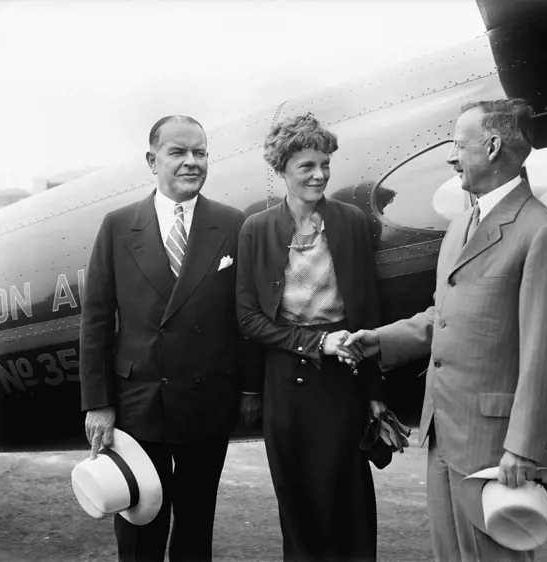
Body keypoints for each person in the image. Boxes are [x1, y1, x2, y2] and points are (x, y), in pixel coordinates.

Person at [345, 98, 547, 562]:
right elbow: (444, 314)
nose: (451, 156)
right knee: (450, 554)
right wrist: (381, 340)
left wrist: (524, 448)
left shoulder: (542, 231)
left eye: (458, 144)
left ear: (492, 146)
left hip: (496, 443)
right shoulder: (462, 225)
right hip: (444, 429)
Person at [80, 115, 263, 562]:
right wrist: (98, 402)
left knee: (197, 525)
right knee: (141, 524)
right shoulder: (118, 226)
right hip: (140, 401)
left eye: (200, 153)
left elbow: (244, 316)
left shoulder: (230, 222)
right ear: (152, 159)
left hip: (208, 400)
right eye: (178, 152)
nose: (191, 162)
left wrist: (249, 388)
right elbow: (97, 321)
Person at [236, 113, 386, 562]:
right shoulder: (256, 230)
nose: (319, 175)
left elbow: (370, 308)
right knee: (297, 503)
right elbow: (248, 319)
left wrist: (376, 391)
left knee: (350, 500)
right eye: (307, 166)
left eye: (324, 164)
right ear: (281, 170)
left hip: (344, 378)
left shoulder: (352, 221)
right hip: (285, 382)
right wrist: (316, 344)